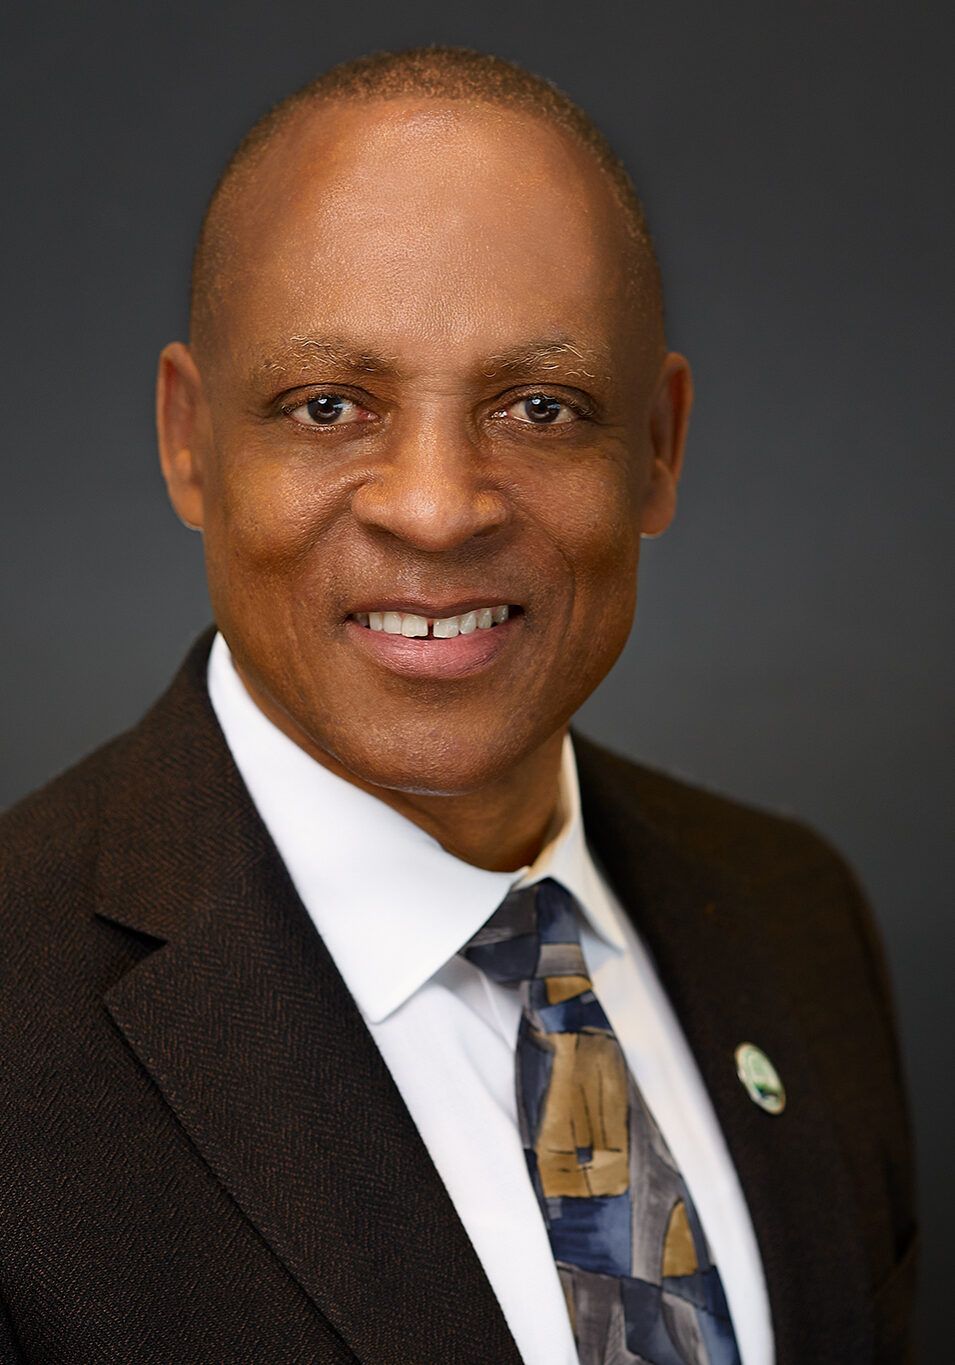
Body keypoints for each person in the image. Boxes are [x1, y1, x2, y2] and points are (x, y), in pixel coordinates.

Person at [0, 45, 916, 1365]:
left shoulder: (798, 916)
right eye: (329, 405)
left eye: (539, 406)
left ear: (656, 446)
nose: (435, 506)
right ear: (188, 441)